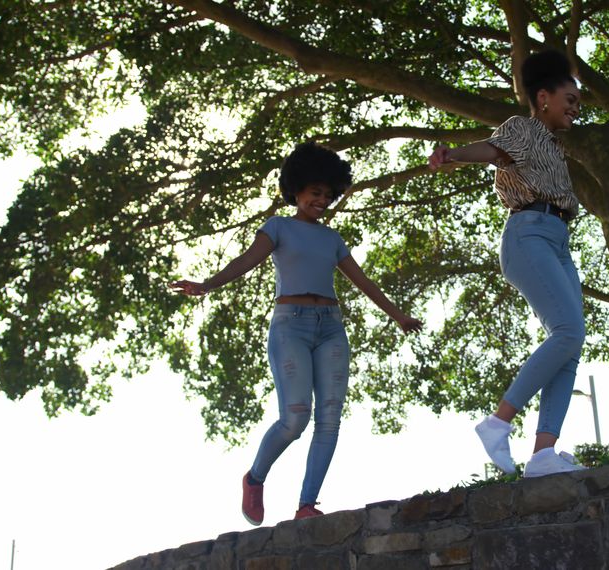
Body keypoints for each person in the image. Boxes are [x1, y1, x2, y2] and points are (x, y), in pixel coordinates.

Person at [169, 143, 422, 525]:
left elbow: (363, 282)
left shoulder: (333, 239)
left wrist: (398, 315)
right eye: (314, 193)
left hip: (331, 327)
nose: (321, 200)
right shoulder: (278, 226)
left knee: (331, 418)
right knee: (295, 417)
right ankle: (255, 478)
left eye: (327, 194)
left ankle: (307, 505)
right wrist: (207, 284)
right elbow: (246, 260)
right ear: (297, 191)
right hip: (291, 325)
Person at [427, 50, 586, 478]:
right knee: (569, 330)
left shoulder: (554, 147)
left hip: (557, 238)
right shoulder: (524, 129)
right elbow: (491, 149)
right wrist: (452, 153)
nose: (575, 108)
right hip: (527, 233)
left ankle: (543, 456)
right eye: (569, 98)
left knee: (571, 341)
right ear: (543, 97)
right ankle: (497, 423)